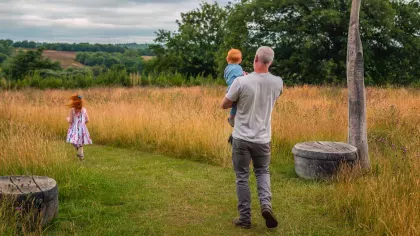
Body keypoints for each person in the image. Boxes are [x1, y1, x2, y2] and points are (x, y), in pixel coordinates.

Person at [220, 46, 283, 229]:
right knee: (262, 172)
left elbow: (224, 104)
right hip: (263, 139)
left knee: (242, 176)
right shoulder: (277, 83)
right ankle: (266, 205)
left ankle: (245, 218)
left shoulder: (241, 81)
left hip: (241, 138)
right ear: (270, 62)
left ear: (256, 58)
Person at [224, 49, 247, 128]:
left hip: (229, 89)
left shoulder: (227, 68)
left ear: (227, 58)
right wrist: (245, 75)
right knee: (237, 104)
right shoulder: (238, 68)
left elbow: (228, 77)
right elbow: (239, 79)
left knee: (235, 105)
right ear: (240, 60)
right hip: (235, 89)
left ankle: (233, 117)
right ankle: (232, 118)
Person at [66, 94, 92, 160]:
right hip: (82, 128)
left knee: (73, 141)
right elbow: (87, 120)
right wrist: (83, 124)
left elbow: (71, 121)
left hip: (74, 128)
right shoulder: (84, 110)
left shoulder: (72, 110)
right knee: (79, 141)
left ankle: (80, 152)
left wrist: (67, 119)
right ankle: (81, 154)